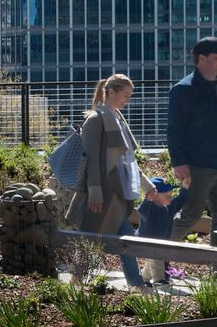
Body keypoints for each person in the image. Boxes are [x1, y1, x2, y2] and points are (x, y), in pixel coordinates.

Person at [64, 74, 147, 285]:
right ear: (111, 92)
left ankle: (136, 285)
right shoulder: (95, 119)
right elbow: (90, 159)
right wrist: (95, 191)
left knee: (124, 243)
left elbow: (128, 161)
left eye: (130, 95)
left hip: (115, 193)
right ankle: (77, 281)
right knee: (91, 240)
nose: (127, 100)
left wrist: (149, 187)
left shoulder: (118, 119)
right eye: (125, 95)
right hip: (100, 195)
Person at [169, 37, 217, 242]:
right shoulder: (183, 89)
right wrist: (179, 163)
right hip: (198, 165)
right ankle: (155, 259)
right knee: (190, 214)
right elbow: (175, 130)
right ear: (201, 58)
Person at [135, 176, 182, 285]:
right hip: (146, 240)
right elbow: (142, 211)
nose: (171, 198)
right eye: (167, 196)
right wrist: (147, 199)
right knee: (156, 256)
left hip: (158, 240)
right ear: (155, 196)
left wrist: (185, 188)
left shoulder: (165, 208)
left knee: (152, 259)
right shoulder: (149, 207)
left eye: (171, 195)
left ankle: (144, 278)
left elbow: (179, 201)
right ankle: (159, 279)